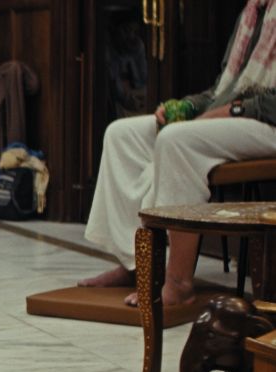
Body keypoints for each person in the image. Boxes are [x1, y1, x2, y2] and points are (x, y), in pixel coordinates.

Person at [81, 0, 276, 306]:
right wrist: (187, 106)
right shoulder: (253, 10)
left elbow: (255, 103)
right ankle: (136, 264)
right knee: (122, 134)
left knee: (177, 141)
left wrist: (230, 111)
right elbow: (222, 89)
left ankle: (179, 282)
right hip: (240, 117)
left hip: (269, 124)